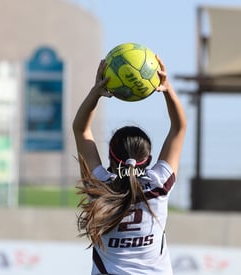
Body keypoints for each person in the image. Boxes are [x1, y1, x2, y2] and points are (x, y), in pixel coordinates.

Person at [72, 55, 187, 275]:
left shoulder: (101, 188)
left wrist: (96, 92)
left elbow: (80, 129)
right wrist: (168, 89)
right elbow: (179, 127)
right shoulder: (158, 186)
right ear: (150, 159)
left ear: (110, 157)